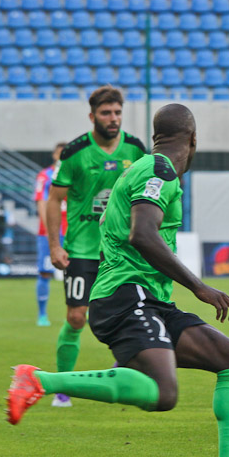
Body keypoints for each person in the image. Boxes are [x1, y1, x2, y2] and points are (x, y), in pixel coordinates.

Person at [7, 104, 229, 457]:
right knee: (163, 393)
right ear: (193, 139)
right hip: (125, 296)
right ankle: (39, 380)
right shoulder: (159, 170)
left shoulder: (147, 169)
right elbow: (142, 233)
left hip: (149, 299)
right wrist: (199, 286)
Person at [45, 86, 146, 407]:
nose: (113, 118)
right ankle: (62, 389)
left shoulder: (135, 149)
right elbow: (54, 200)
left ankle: (120, 368)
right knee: (77, 317)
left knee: (133, 313)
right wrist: (54, 245)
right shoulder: (75, 152)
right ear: (92, 116)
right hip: (82, 249)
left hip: (121, 251)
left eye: (117, 112)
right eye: (106, 113)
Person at [34, 142, 68, 327]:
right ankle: (42, 314)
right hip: (48, 232)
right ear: (54, 155)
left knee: (76, 271)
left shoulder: (74, 173)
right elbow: (41, 202)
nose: (62, 156)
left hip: (71, 230)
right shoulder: (45, 175)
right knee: (45, 272)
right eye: (59, 153)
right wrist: (48, 230)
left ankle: (77, 311)